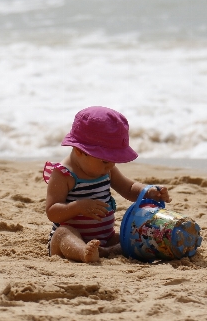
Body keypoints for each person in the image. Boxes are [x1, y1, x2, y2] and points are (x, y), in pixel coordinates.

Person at [43, 106, 170, 263]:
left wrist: (148, 191)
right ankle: (83, 252)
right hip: (69, 240)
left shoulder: (107, 169)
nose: (110, 165)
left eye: (114, 159)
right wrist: (78, 207)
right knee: (63, 233)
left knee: (131, 237)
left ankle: (104, 251)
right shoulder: (63, 175)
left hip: (104, 238)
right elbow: (52, 212)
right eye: (105, 160)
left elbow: (128, 188)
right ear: (79, 151)